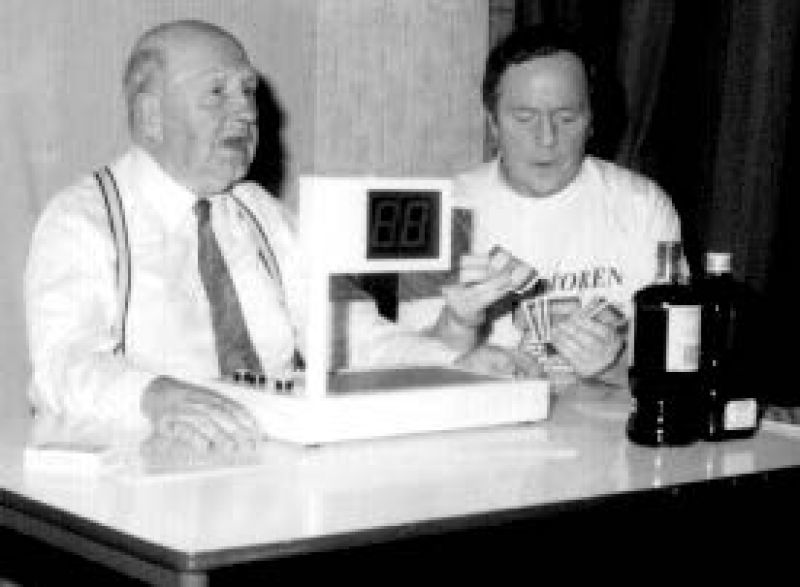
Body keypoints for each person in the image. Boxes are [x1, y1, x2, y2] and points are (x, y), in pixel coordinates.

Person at [24, 20, 540, 455]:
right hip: (150, 481)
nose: (246, 112)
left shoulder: (262, 214)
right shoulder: (83, 220)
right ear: (151, 115)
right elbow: (63, 366)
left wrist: (452, 364)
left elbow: (353, 338)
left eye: (247, 91)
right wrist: (159, 396)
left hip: (272, 469)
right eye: (217, 93)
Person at [416, 24, 685, 384]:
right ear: (493, 123)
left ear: (591, 122)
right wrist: (459, 326)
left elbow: (679, 362)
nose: (546, 138)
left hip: (606, 417)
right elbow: (408, 368)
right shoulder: (445, 212)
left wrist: (614, 364)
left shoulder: (642, 206)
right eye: (525, 118)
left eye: (566, 118)